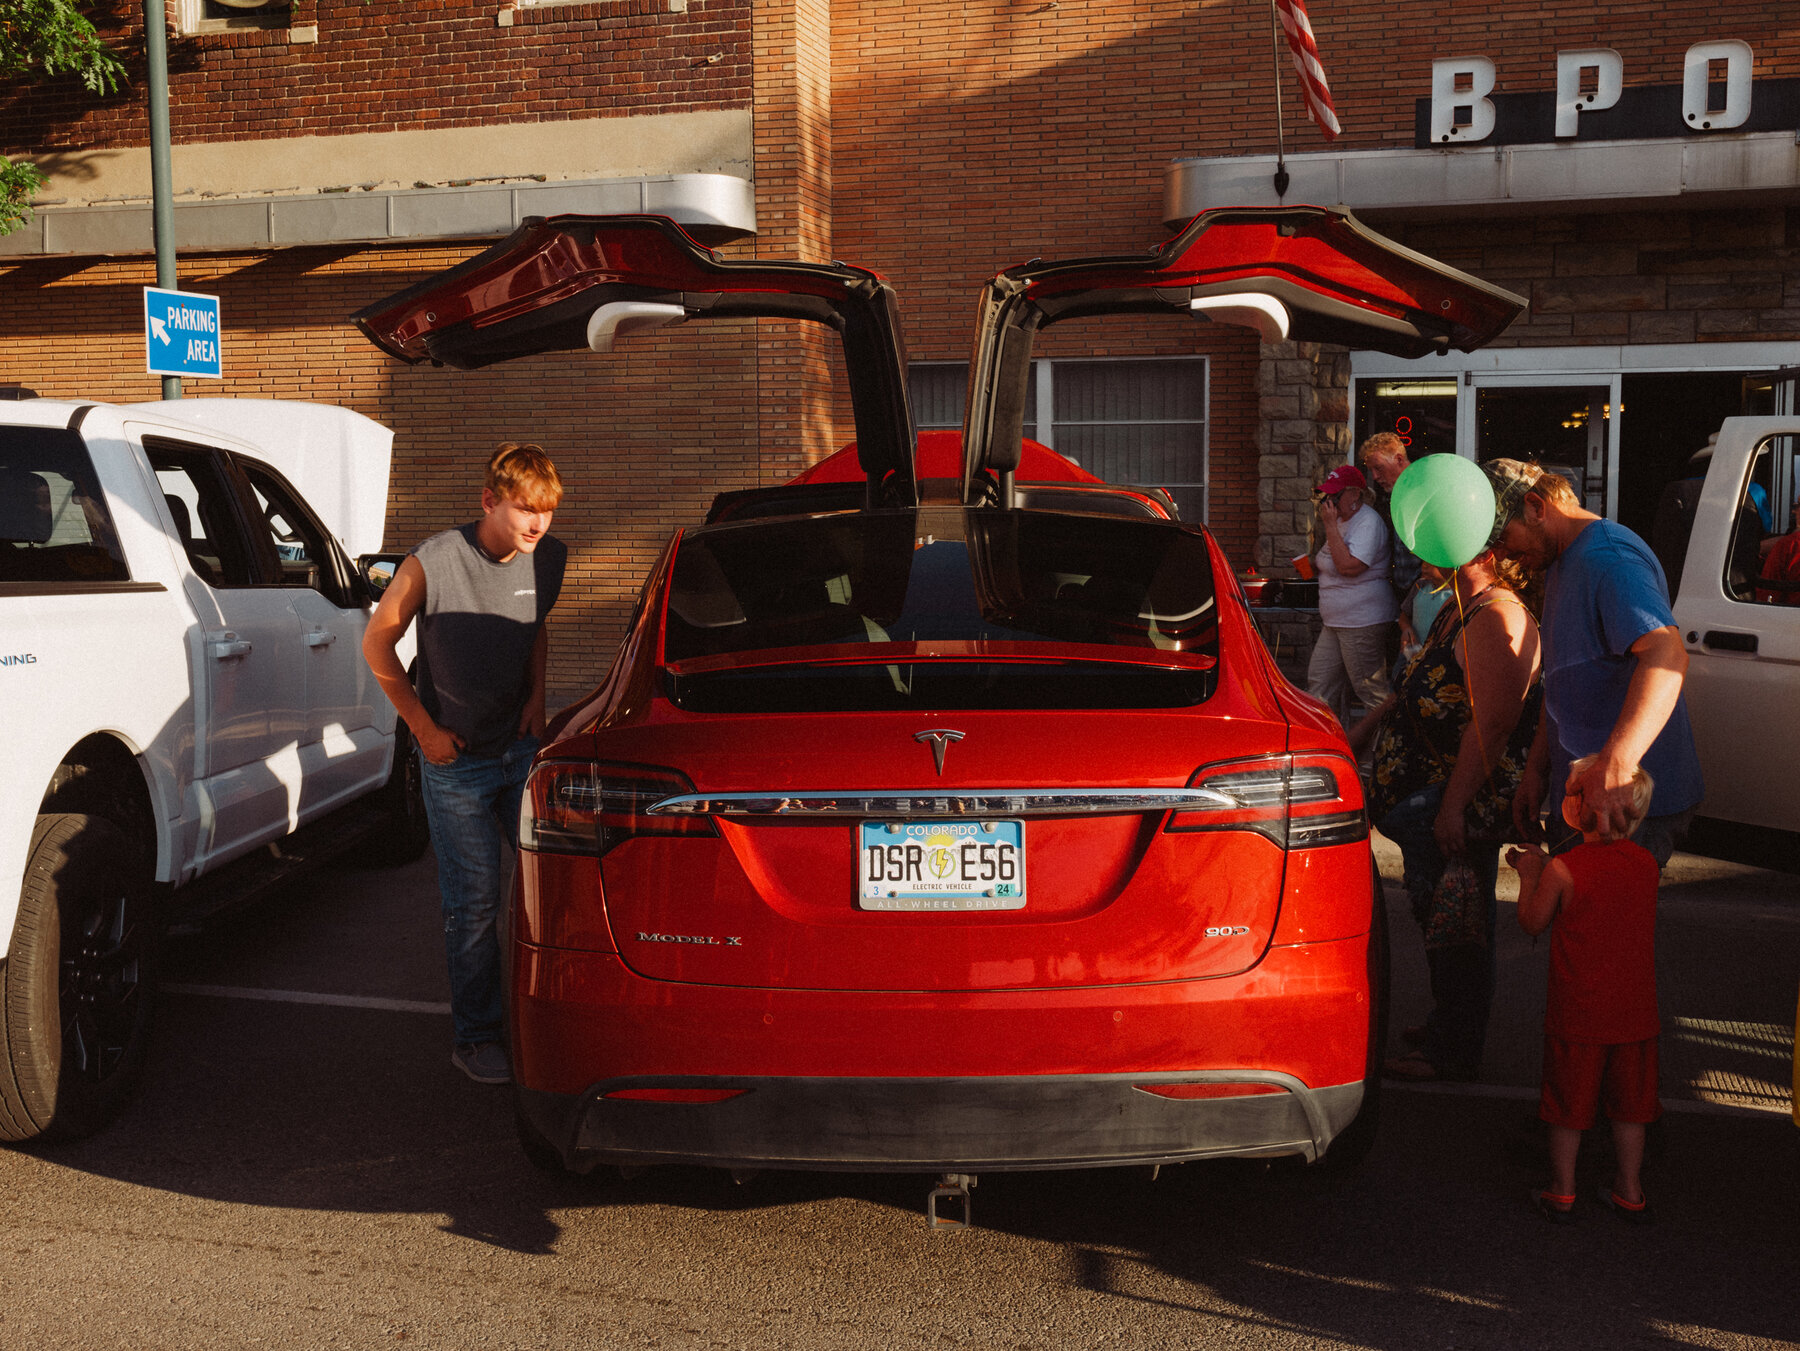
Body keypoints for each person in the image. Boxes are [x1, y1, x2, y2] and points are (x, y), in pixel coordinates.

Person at [362, 442, 568, 1085]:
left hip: (519, 753)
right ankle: (475, 1037)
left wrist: (537, 699)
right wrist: (422, 730)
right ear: (489, 501)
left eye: (547, 512)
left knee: (554, 888)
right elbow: (377, 643)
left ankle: (555, 1023)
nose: (537, 524)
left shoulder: (549, 558)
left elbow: (536, 628)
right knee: (474, 906)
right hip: (456, 765)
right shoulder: (433, 561)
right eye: (524, 510)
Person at [1360, 542, 1542, 1082]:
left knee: (1459, 927)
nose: (1421, 548)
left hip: (1453, 807)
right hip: (1430, 804)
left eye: (1439, 539)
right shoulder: (1456, 603)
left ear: (1483, 551)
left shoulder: (1497, 616)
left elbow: (1494, 726)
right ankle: (1449, 1023)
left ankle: (1453, 1049)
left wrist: (1453, 809)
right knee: (1443, 920)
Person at [1486, 458, 1703, 866]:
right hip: (1587, 797)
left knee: (1602, 929)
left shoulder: (1609, 558)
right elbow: (1566, 681)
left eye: (1502, 538)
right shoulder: (1562, 560)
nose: (1503, 555)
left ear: (1535, 506)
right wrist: (1537, 770)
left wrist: (1617, 765)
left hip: (1628, 806)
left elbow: (1667, 655)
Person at [1508, 759, 1660, 1225]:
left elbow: (1533, 921)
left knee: (1567, 1104)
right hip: (1635, 1012)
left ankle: (1563, 1189)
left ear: (1583, 807)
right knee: (1630, 1106)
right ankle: (1629, 1189)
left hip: (1578, 1012)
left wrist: (1530, 873)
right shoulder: (1647, 864)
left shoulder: (1565, 869)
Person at [1305, 463, 1397, 731]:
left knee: (1369, 690)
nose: (1328, 501)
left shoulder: (1367, 522)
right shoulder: (1342, 522)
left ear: (1355, 494)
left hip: (1360, 621)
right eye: (1326, 495)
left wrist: (1330, 526)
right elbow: (1330, 562)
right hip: (1336, 621)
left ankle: (1379, 757)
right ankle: (1328, 747)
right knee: (1319, 684)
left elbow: (1348, 567)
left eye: (1335, 494)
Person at [1358, 432, 1430, 647]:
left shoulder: (1423, 488)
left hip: (1427, 590)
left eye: (1378, 467)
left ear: (1399, 459)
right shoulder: (1396, 493)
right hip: (1405, 594)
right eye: (1371, 470)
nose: (1375, 477)